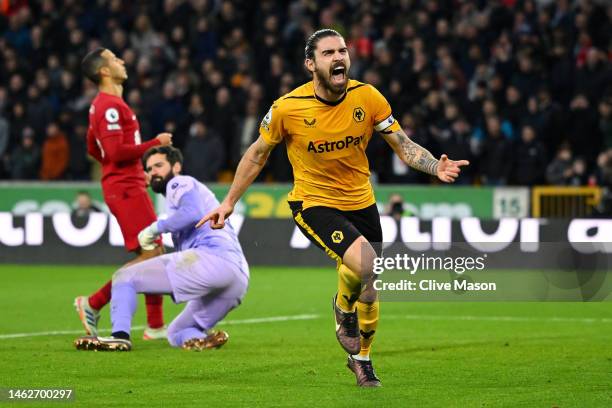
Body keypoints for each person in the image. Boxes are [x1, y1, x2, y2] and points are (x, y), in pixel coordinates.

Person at [197, 29, 469, 387]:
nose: (338, 57)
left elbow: (402, 144)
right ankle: (343, 310)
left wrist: (435, 165)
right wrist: (229, 201)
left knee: (369, 286)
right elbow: (258, 153)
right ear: (310, 64)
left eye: (342, 50)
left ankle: (362, 359)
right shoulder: (287, 108)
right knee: (365, 264)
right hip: (314, 202)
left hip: (362, 201)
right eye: (328, 53)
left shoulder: (367, 97)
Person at [74, 146, 249, 351]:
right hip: (237, 278)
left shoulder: (179, 182)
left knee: (124, 278)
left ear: (176, 167)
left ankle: (119, 335)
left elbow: (191, 214)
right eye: (148, 169)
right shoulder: (192, 192)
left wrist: (154, 229)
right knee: (176, 332)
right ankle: (200, 340)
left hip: (212, 259)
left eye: (159, 165)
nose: (153, 172)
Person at [74, 47, 173, 340]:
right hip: (125, 189)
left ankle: (155, 326)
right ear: (104, 71)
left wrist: (128, 171)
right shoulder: (110, 106)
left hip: (127, 184)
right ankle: (92, 302)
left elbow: (94, 146)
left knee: (154, 252)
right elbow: (115, 151)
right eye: (115, 59)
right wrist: (156, 143)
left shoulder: (103, 105)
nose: (122, 61)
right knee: (152, 253)